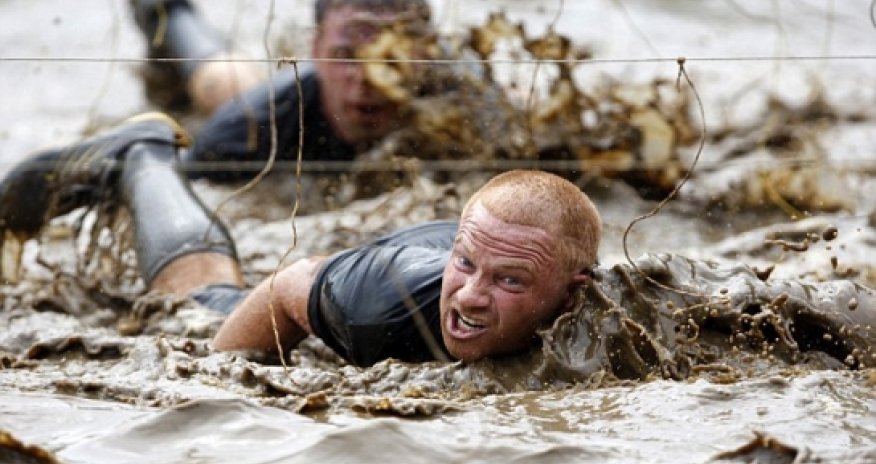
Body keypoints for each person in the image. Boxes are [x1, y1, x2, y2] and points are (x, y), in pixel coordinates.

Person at [0, 114, 602, 366]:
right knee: (199, 300)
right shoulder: (379, 308)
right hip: (352, 279)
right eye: (466, 267)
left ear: (574, 292)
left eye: (510, 280)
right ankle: (142, 158)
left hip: (468, 244)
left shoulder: (616, 316)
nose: (469, 297)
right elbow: (287, 287)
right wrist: (216, 381)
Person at [131, 0, 435, 182]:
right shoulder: (249, 126)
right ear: (315, 50)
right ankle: (167, 11)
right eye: (345, 55)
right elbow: (171, 183)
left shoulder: (453, 102)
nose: (365, 78)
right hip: (254, 98)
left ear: (426, 55)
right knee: (223, 82)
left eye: (390, 59)